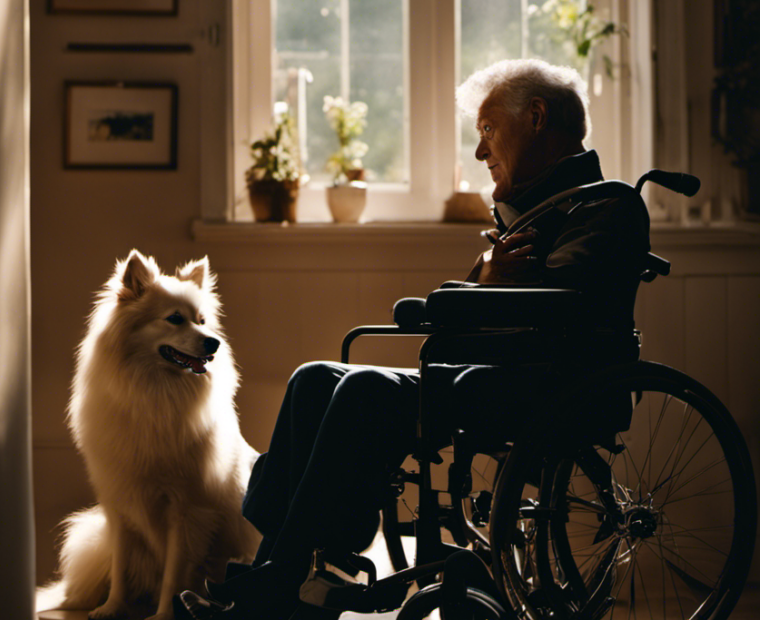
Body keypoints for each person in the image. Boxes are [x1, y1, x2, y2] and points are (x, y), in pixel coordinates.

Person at [175, 58, 650, 620]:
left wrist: (486, 286)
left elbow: (559, 312)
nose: (481, 151)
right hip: (484, 375)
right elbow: (474, 314)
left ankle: (279, 590)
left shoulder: (607, 205)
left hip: (546, 387)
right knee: (314, 378)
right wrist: (482, 283)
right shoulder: (532, 213)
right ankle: (281, 568)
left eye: (488, 130)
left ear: (538, 117)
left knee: (364, 390)